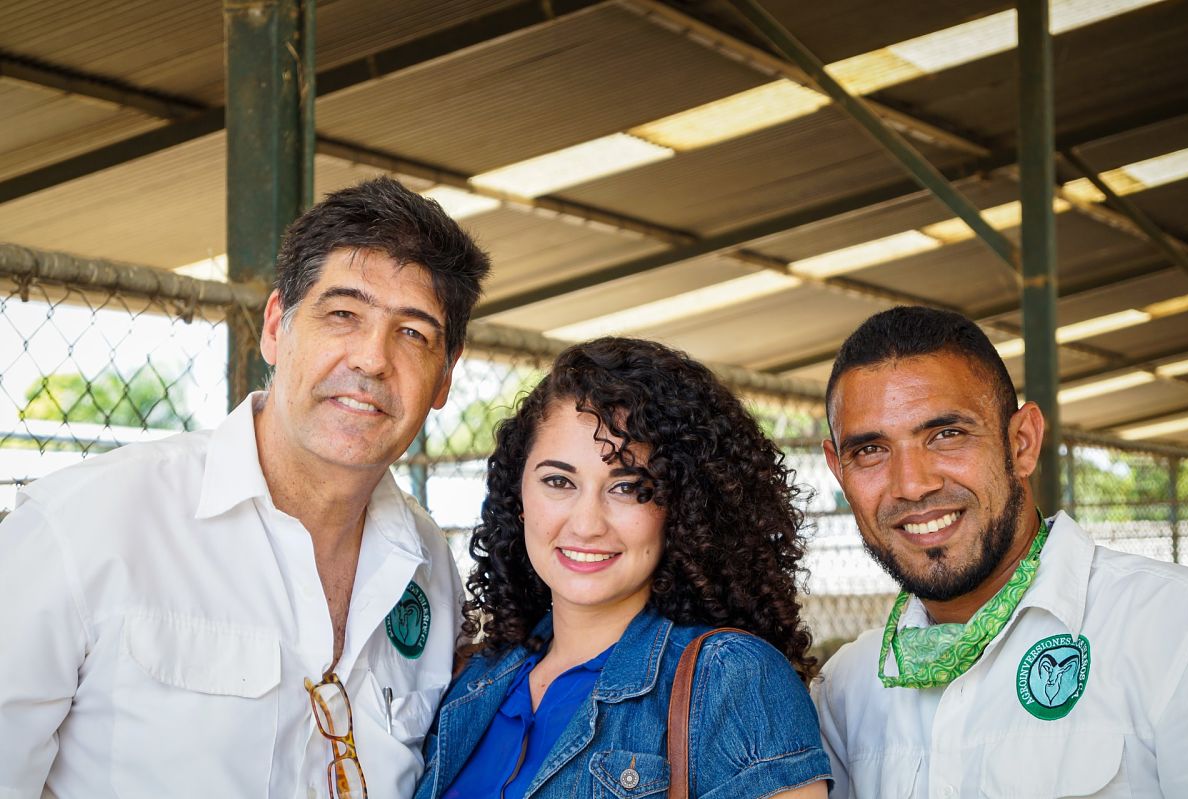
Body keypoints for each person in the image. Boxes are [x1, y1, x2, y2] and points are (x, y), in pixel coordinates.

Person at [0, 177, 491, 799]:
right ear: (275, 328)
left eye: (413, 333)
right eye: (343, 314)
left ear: (445, 378)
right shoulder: (82, 526)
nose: (371, 358)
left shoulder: (429, 566)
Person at [413, 337, 832, 799]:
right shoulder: (476, 679)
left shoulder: (731, 678)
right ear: (519, 500)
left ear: (685, 507)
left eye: (629, 487)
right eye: (558, 481)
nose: (587, 524)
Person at [813, 306, 1188, 798]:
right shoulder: (847, 691)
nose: (911, 485)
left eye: (947, 435)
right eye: (870, 450)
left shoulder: (1177, 629)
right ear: (837, 470)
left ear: (1022, 442)